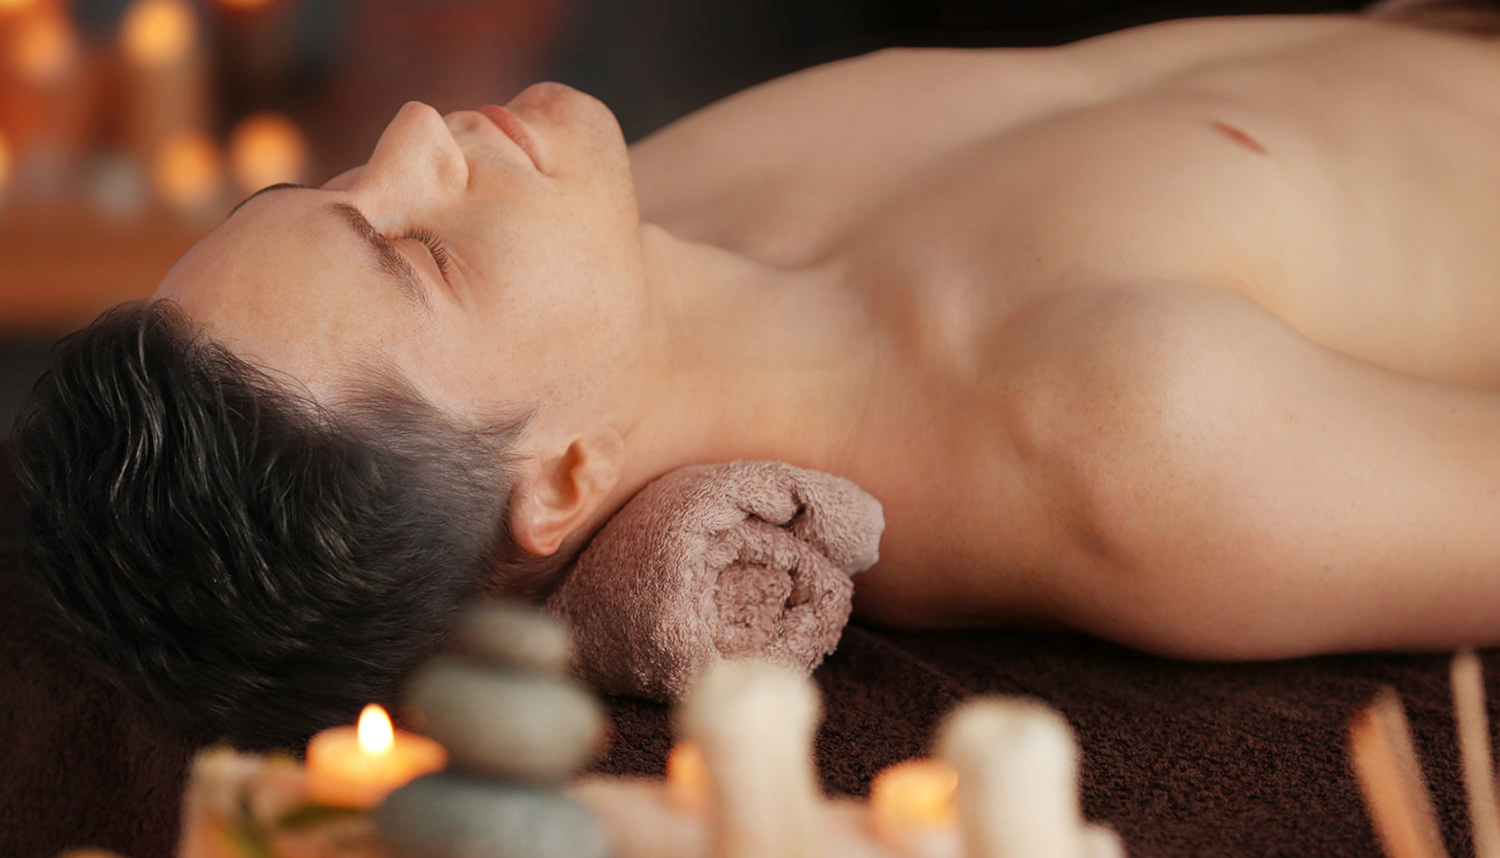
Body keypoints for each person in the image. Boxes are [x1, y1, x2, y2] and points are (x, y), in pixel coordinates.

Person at [15, 3, 1500, 749]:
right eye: (419, 256)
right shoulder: (1111, 436)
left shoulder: (633, 227)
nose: (412, 132)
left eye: (345, 184)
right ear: (570, 480)